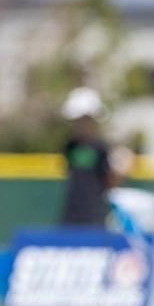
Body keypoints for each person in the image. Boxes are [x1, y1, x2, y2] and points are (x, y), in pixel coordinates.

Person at [59, 87, 129, 227]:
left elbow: (108, 182)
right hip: (71, 215)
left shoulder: (101, 148)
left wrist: (120, 170)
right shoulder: (70, 146)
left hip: (93, 215)